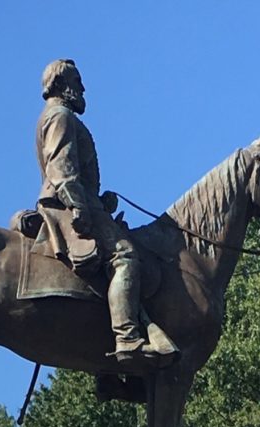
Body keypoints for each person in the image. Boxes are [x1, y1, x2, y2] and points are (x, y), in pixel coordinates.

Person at [36, 59, 170, 362]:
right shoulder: (61, 117)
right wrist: (80, 205)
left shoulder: (55, 116)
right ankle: (127, 338)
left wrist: (97, 199)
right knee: (125, 257)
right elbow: (60, 168)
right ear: (61, 85)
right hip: (66, 205)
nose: (83, 88)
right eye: (77, 81)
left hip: (79, 200)